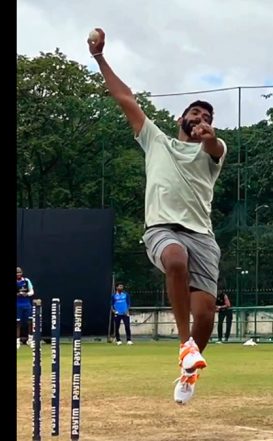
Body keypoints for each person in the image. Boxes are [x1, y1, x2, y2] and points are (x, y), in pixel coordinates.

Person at [89, 29, 227, 405]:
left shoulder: (212, 151)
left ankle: (188, 370)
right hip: (162, 230)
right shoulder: (155, 139)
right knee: (175, 258)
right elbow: (125, 98)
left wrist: (209, 136)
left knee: (207, 316)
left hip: (203, 236)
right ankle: (184, 345)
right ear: (181, 118)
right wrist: (100, 58)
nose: (202, 118)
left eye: (208, 116)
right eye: (196, 113)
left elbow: (214, 145)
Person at [16, 267, 35, 349]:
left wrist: (26, 294)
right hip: (17, 304)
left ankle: (30, 339)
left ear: (22, 273)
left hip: (27, 303)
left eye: (19, 272)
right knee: (17, 322)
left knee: (30, 321)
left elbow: (32, 291)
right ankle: (17, 341)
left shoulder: (26, 281)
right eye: (17, 273)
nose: (18, 274)